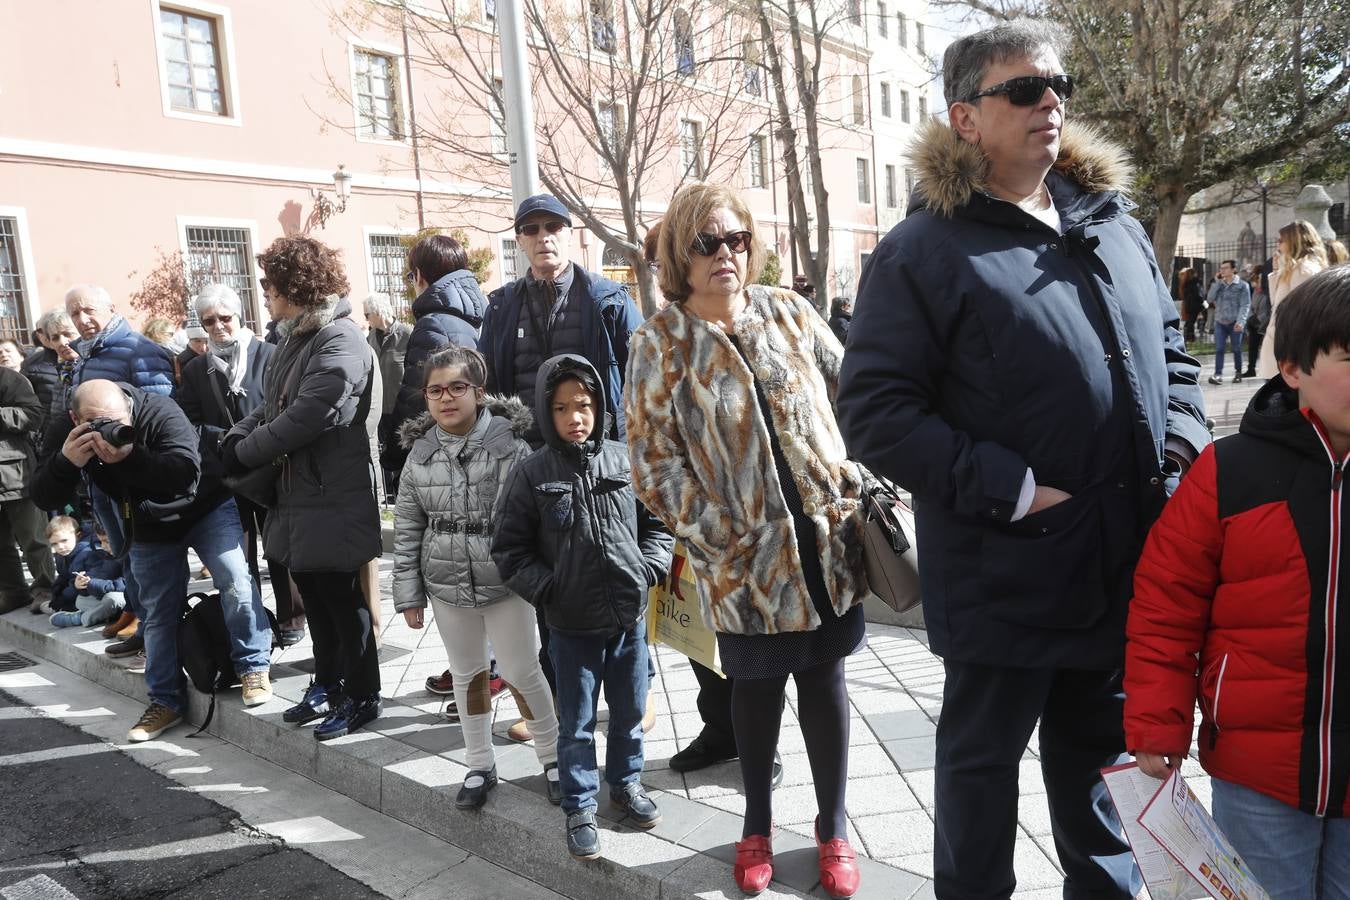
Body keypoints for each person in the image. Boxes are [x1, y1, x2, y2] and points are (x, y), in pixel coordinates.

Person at [836, 21, 1210, 899]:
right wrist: (1014, 491)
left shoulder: (1112, 225)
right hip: (1004, 575)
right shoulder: (923, 250)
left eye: (1058, 86)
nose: (1051, 102)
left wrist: (1181, 450)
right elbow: (875, 412)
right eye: (1024, 89)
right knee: (980, 780)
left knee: (1103, 779)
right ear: (965, 117)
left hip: (1121, 563)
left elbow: (1174, 355)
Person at [626, 183, 869, 899]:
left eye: (736, 240)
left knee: (825, 683)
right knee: (755, 692)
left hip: (827, 549)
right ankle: (756, 825)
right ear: (681, 255)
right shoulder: (660, 343)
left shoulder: (789, 311)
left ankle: (833, 827)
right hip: (744, 565)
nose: (726, 254)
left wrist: (855, 477)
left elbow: (858, 392)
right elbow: (653, 464)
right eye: (708, 243)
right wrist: (718, 535)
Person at [1124, 265, 1350, 895]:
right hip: (1258, 774)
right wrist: (1157, 722)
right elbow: (1167, 605)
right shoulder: (1230, 470)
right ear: (1293, 368)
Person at [492, 354, 673, 862]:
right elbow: (509, 550)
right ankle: (579, 804)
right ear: (545, 411)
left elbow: (658, 524)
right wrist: (550, 589)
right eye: (561, 407)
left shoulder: (624, 459)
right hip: (570, 627)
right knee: (575, 722)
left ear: (599, 407)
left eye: (584, 405)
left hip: (628, 619)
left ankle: (627, 783)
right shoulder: (531, 474)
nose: (575, 417)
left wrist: (648, 569)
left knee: (630, 711)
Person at [477, 194, 645, 731]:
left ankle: (638, 698)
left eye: (553, 226)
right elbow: (492, 386)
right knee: (553, 584)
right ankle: (559, 707)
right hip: (538, 471)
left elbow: (645, 378)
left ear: (571, 235)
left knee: (620, 574)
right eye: (531, 229)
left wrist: (633, 452)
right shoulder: (502, 307)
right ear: (519, 240)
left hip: (606, 464)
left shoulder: (607, 299)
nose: (543, 237)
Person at [30, 379, 276, 742]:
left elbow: (184, 473)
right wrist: (66, 462)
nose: (108, 429)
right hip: (147, 524)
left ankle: (253, 666)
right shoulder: (67, 433)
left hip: (206, 507)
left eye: (116, 421)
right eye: (96, 423)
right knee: (158, 609)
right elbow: (42, 495)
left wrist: (129, 457)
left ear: (129, 409)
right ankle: (166, 700)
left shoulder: (159, 410)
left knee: (235, 578)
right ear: (75, 418)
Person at [224, 236, 383, 741]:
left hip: (332, 493)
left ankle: (362, 694)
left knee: (343, 602)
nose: (265, 294)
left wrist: (245, 453)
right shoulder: (296, 337)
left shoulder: (340, 338)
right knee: (314, 598)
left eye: (270, 285)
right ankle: (330, 682)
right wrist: (235, 436)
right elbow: (270, 405)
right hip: (299, 493)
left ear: (294, 287)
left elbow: (309, 414)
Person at [393, 345, 560, 810]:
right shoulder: (420, 455)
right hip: (446, 583)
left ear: (479, 392)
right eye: (435, 391)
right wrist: (408, 592)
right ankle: (479, 764)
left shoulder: (511, 446)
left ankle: (554, 757)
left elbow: (534, 518)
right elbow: (408, 526)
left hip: (506, 582)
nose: (447, 398)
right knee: (467, 674)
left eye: (457, 387)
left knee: (521, 670)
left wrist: (539, 579)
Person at [175, 285, 306, 645]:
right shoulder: (197, 369)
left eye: (224, 318)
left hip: (270, 464)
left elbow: (287, 405)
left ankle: (292, 617)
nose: (218, 326)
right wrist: (225, 438)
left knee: (280, 545)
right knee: (238, 555)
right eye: (209, 321)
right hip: (225, 474)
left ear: (240, 316)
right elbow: (188, 421)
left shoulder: (270, 355)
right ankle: (254, 622)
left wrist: (256, 436)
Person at [385, 236, 487, 471]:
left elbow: (415, 400)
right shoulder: (481, 314)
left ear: (419, 275)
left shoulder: (433, 324)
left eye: (411, 277)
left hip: (442, 455)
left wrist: (394, 455)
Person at [0, 362, 54, 615]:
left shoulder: (7, 377)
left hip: (16, 473)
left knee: (33, 538)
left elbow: (33, 414)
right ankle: (13, 592)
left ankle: (46, 589)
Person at [1259, 220, 1329, 378]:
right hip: (1281, 345)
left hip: (1288, 349)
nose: (1278, 245)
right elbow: (1276, 304)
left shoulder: (1303, 270)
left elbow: (1301, 314)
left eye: (1281, 240)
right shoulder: (1295, 268)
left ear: (1294, 241)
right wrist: (1277, 271)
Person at [364, 292, 412, 491]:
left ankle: (404, 491)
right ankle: (389, 494)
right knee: (383, 454)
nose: (365, 319)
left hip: (401, 409)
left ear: (377, 312)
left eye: (367, 315)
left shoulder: (407, 334)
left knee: (403, 454)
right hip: (379, 410)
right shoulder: (369, 339)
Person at [48, 522, 125, 629]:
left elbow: (126, 584)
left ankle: (81, 618)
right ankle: (103, 614)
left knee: (113, 599)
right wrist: (80, 585)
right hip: (108, 592)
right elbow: (65, 577)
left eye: (107, 541)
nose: (103, 546)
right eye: (54, 544)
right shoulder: (109, 554)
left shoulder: (89, 553)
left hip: (126, 598)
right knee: (81, 600)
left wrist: (96, 584)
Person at [1205, 259, 1251, 385]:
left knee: (1236, 349)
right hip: (1220, 322)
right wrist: (1216, 282)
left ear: (1233, 269)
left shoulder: (1242, 286)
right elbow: (1210, 299)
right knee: (1219, 349)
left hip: (1235, 323)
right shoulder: (1219, 284)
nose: (1222, 270)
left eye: (1225, 268)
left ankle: (1238, 373)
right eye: (1221, 268)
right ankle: (1218, 375)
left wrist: (1241, 321)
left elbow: (1245, 305)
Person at [44, 517, 97, 613]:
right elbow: (63, 576)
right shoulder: (61, 555)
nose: (60, 547)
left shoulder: (88, 553)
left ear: (78, 536)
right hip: (73, 593)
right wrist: (56, 594)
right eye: (54, 544)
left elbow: (83, 585)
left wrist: (63, 599)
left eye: (64, 540)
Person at [1241, 266, 1270, 379]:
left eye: (1257, 281)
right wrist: (1251, 317)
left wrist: (1259, 318)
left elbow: (1268, 309)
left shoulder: (1267, 293)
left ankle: (1267, 369)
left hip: (1265, 324)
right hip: (1253, 324)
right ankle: (1251, 369)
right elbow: (1251, 306)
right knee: (1252, 347)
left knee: (1266, 348)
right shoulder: (1255, 293)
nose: (1254, 284)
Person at [1178, 267, 1203, 344]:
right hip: (1194, 306)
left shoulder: (1186, 284)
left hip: (1189, 306)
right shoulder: (1194, 283)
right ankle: (1190, 338)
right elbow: (1198, 296)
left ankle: (1189, 338)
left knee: (1189, 322)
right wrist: (1204, 304)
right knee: (1190, 323)